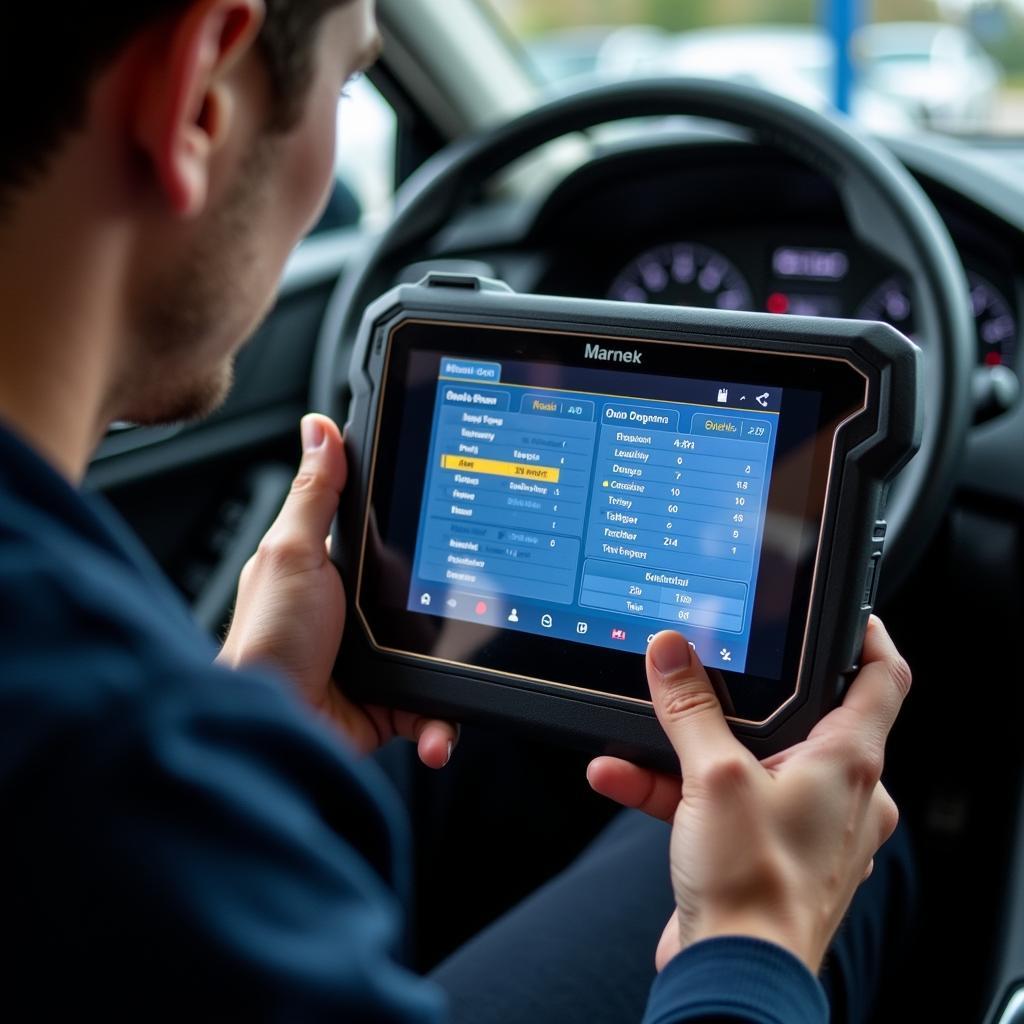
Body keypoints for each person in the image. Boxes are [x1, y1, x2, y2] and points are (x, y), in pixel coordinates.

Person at [0, 1, 912, 1020]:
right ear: (198, 99)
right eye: (347, 87)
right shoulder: (96, 750)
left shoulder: (99, 718)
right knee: (831, 831)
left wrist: (248, 730)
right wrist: (754, 937)